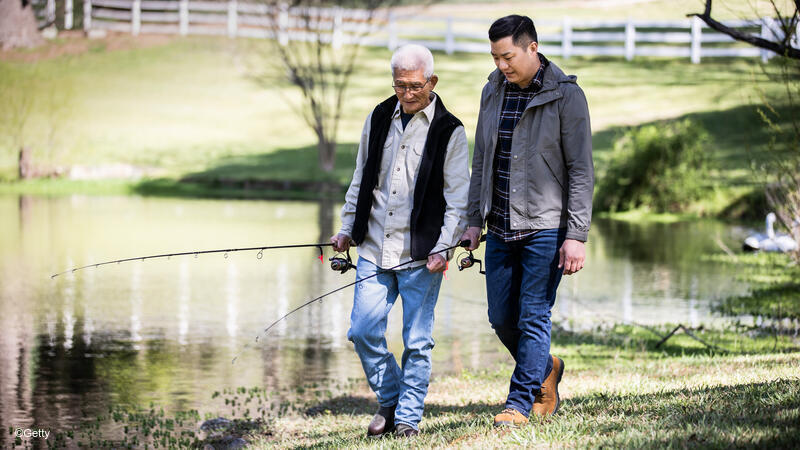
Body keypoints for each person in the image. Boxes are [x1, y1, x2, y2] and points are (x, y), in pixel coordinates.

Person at [460, 14, 594, 427]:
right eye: (496, 57)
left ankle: (519, 404)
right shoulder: (492, 90)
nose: (502, 65)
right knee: (501, 316)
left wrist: (576, 235)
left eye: (508, 56)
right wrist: (471, 220)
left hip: (545, 226)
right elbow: (482, 157)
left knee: (532, 313)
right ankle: (547, 367)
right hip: (499, 224)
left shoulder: (566, 97)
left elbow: (581, 170)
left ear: (532, 48)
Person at [330, 44, 470, 437]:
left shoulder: (450, 131)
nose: (407, 94)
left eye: (415, 86)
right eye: (400, 86)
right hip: (374, 247)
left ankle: (408, 418)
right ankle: (390, 399)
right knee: (362, 330)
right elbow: (360, 179)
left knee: (417, 341)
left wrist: (444, 248)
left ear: (432, 82)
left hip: (422, 256)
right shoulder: (377, 117)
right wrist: (346, 229)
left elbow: (458, 201)